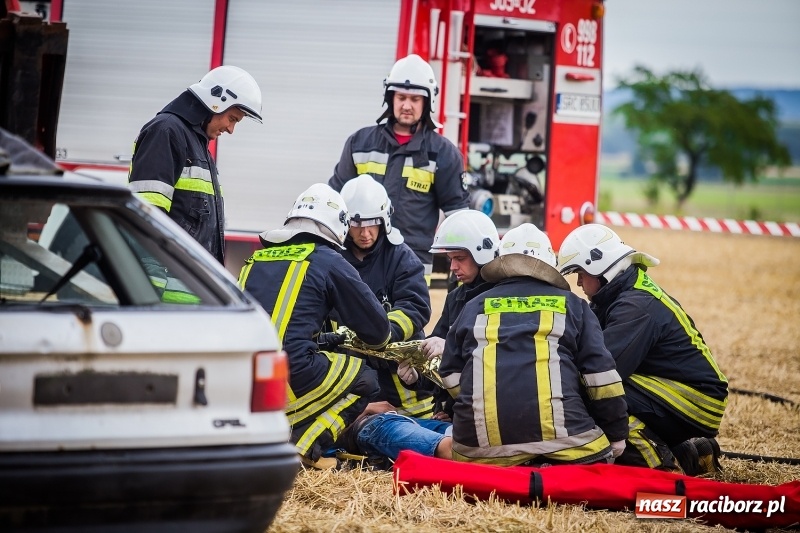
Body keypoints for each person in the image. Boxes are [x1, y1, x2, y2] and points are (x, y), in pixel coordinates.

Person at [438, 223, 629, 466]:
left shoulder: (473, 306)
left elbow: (449, 373)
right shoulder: (574, 306)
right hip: (566, 445)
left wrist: (480, 402)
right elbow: (601, 378)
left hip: (480, 452)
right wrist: (616, 434)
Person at [238, 183, 392, 469]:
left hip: (245, 376)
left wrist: (325, 339)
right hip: (290, 374)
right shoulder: (327, 259)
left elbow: (281, 324)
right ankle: (302, 447)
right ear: (339, 226)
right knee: (365, 380)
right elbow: (378, 332)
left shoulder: (256, 258)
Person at [557, 223, 728, 475]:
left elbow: (603, 370)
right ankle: (690, 454)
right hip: (685, 393)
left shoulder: (636, 307)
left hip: (698, 400)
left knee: (598, 389)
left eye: (580, 273)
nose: (579, 281)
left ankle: (661, 466)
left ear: (600, 267)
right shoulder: (622, 293)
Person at [329, 54, 470, 282]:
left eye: (415, 99)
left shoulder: (443, 153)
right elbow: (333, 202)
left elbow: (459, 218)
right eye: (401, 97)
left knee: (407, 307)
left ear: (427, 103)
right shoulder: (359, 143)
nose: (406, 105)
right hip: (357, 260)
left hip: (413, 263)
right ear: (390, 98)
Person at [128, 65, 263, 264]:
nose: (231, 129)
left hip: (189, 280)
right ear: (215, 102)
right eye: (232, 119)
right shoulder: (166, 132)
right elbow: (147, 217)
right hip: (168, 280)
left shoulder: (197, 145)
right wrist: (152, 281)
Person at [336, 174, 437, 418]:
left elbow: (416, 306)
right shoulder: (334, 259)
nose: (365, 233)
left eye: (372, 224)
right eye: (357, 225)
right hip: (355, 380)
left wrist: (383, 332)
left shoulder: (401, 257)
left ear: (384, 220)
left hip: (405, 386)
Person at [419, 209, 499, 420]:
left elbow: (494, 365)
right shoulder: (455, 298)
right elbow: (436, 361)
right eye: (450, 259)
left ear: (482, 254)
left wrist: (450, 348)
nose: (453, 267)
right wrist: (415, 375)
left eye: (460, 258)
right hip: (455, 414)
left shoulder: (501, 299)